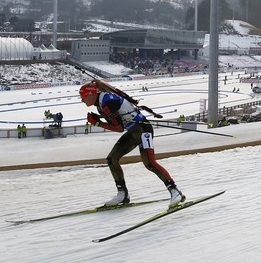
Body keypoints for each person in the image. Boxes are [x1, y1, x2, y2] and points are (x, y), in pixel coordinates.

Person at [79, 80, 185, 209]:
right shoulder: (101, 102)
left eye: (83, 97)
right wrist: (99, 119)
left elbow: (118, 128)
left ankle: (175, 191)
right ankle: (122, 194)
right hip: (134, 130)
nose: (82, 101)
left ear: (91, 95)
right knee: (112, 159)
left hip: (142, 130)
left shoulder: (106, 102)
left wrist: (97, 123)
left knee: (149, 163)